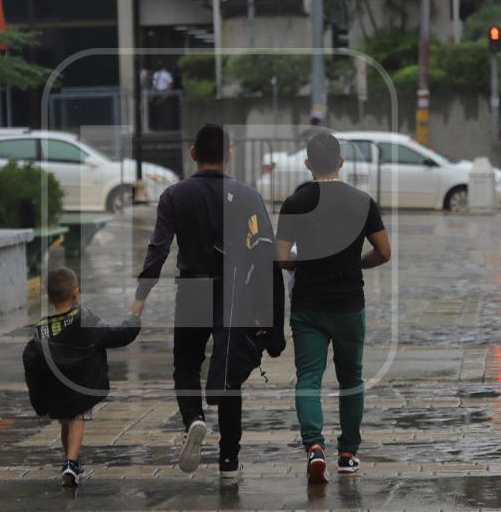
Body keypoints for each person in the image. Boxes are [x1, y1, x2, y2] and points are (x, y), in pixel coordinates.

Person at [129, 124, 285, 479]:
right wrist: (266, 309)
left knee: (186, 363)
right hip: (235, 293)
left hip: (194, 289)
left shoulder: (175, 195)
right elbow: (265, 254)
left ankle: (194, 420)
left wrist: (140, 298)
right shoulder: (247, 195)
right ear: (229, 154)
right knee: (229, 371)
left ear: (193, 153)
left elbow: (158, 248)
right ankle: (229, 459)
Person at [276, 133, 391, 484]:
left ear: (308, 164)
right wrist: (357, 263)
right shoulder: (362, 201)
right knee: (351, 379)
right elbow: (384, 252)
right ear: (341, 162)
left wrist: (303, 263)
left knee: (308, 379)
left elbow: (282, 257)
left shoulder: (295, 202)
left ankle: (314, 448)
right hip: (348, 306)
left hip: (308, 306)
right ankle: (348, 455)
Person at [23, 268, 141, 488]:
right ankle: (71, 462)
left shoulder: (40, 328)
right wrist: (133, 318)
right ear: (76, 293)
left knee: (65, 422)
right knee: (77, 418)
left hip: (56, 389)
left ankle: (69, 459)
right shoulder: (83, 321)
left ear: (48, 298)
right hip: (80, 384)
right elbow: (116, 336)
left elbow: (36, 362)